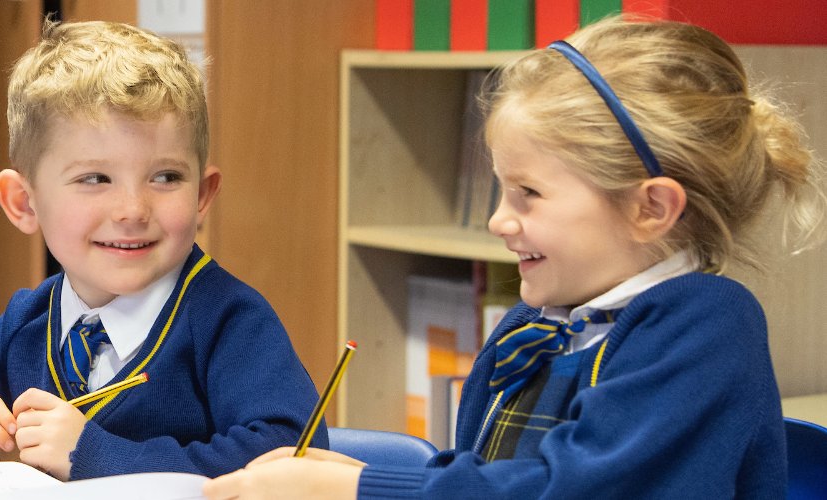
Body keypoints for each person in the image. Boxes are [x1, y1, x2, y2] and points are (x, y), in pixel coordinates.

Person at [204, 17, 823, 499]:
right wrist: (349, 476)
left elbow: (580, 491)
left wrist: (364, 488)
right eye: (501, 189)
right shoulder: (536, 323)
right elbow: (489, 478)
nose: (500, 220)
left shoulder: (704, 326)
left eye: (528, 193)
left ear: (650, 208)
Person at [0, 18, 322, 481]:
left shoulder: (230, 322)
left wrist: (93, 456)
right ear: (23, 203)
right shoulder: (29, 322)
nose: (133, 210)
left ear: (202, 195)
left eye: (166, 177)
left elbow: (293, 460)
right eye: (95, 179)